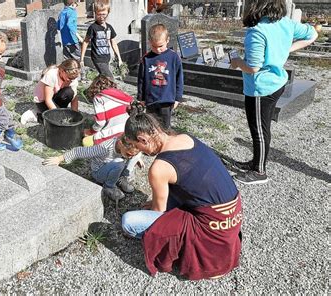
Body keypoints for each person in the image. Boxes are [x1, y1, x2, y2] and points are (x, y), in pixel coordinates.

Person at [121, 102, 242, 280]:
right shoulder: (186, 138)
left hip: (209, 228)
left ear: (143, 139)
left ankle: (187, 248)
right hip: (232, 214)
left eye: (137, 146)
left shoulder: (159, 168)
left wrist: (156, 206)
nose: (139, 151)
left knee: (128, 222)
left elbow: (159, 213)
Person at [229, 0, 318, 185]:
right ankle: (256, 162)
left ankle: (259, 172)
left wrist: (237, 62)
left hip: (261, 88)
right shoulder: (286, 23)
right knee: (263, 127)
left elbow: (253, 67)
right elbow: (313, 34)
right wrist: (287, 49)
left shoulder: (257, 31)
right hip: (277, 83)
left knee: (259, 130)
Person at [43, 135, 143, 201]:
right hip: (100, 172)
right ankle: (109, 186)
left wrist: (136, 157)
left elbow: (132, 153)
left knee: (134, 157)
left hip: (114, 167)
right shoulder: (104, 148)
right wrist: (60, 158)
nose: (130, 156)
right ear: (121, 144)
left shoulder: (126, 148)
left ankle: (122, 178)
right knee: (119, 163)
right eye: (128, 154)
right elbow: (80, 151)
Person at [138, 23, 183, 129]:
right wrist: (141, 98)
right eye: (154, 46)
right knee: (151, 126)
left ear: (167, 40)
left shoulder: (174, 57)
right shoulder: (146, 59)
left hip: (166, 99)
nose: (157, 50)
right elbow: (141, 79)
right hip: (151, 100)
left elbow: (179, 78)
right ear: (149, 42)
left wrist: (177, 98)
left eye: (160, 46)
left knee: (165, 127)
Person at [20, 59, 81, 124]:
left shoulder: (72, 77)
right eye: (69, 78)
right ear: (62, 71)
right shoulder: (51, 75)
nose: (71, 80)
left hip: (56, 96)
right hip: (43, 100)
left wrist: (75, 115)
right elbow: (48, 100)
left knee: (69, 92)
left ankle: (57, 111)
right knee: (54, 122)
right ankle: (35, 115)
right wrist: (58, 116)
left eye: (73, 78)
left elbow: (74, 98)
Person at [83, 75, 133, 147]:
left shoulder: (99, 98)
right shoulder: (122, 94)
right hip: (128, 132)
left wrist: (90, 132)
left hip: (115, 134)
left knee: (86, 141)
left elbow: (100, 122)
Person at [80, 0, 122, 78]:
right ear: (95, 13)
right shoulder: (93, 27)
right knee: (110, 78)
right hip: (97, 58)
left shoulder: (109, 27)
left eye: (104, 14)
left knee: (103, 79)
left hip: (106, 58)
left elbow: (113, 42)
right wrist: (82, 59)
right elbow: (85, 42)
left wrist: (119, 58)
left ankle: (95, 89)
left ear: (108, 13)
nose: (101, 17)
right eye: (99, 14)